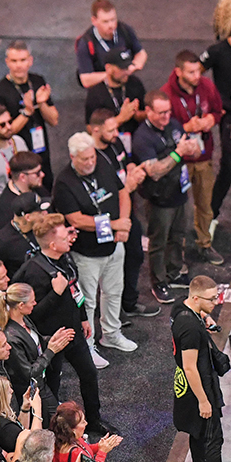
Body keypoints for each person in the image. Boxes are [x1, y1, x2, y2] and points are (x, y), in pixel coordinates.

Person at [12, 212, 107, 434]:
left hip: (73, 331)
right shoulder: (34, 271)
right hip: (51, 339)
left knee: (89, 374)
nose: (70, 240)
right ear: (53, 245)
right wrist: (55, 293)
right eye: (65, 238)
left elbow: (74, 289)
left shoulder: (65, 257)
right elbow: (32, 314)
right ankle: (53, 430)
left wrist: (83, 317)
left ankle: (94, 421)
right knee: (52, 385)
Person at [51, 132, 135, 362]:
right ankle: (87, 346)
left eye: (92, 157)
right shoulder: (64, 182)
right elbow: (76, 219)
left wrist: (123, 224)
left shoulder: (102, 162)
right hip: (86, 253)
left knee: (114, 292)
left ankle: (111, 334)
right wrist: (115, 224)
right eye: (84, 159)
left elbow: (122, 192)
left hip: (114, 244)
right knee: (87, 301)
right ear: (72, 157)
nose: (90, 162)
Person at [171, 275, 231, 462]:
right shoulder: (190, 330)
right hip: (199, 387)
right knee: (214, 437)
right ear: (196, 298)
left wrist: (205, 316)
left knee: (197, 432)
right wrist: (204, 401)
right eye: (211, 299)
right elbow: (190, 367)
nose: (216, 303)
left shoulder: (180, 308)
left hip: (187, 387)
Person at [133, 90, 203, 304]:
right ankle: (158, 281)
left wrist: (193, 148)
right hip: (159, 199)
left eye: (168, 111)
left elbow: (194, 151)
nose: (166, 116)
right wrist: (178, 153)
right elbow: (154, 172)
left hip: (179, 191)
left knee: (178, 235)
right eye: (161, 113)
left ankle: (174, 272)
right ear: (148, 111)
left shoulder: (173, 125)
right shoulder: (142, 138)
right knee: (158, 242)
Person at [85, 110, 154, 321]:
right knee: (108, 267)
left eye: (116, 128)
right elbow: (98, 194)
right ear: (96, 130)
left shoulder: (115, 144)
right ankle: (112, 313)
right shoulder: (90, 158)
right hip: (106, 219)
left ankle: (128, 303)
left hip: (126, 213)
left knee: (134, 256)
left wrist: (134, 171)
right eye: (111, 130)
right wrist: (127, 186)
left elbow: (126, 162)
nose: (116, 133)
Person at [164, 50, 226, 259]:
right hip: (179, 161)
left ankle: (204, 243)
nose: (197, 76)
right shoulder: (167, 94)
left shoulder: (207, 86)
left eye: (198, 71)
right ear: (178, 72)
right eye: (191, 72)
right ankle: (177, 251)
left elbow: (218, 111)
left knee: (205, 204)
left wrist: (210, 120)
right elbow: (163, 129)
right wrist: (185, 128)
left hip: (203, 156)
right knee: (179, 208)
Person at [0, 281, 77, 413]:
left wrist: (51, 339)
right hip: (29, 391)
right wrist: (51, 350)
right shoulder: (11, 337)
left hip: (40, 383)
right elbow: (29, 373)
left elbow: (34, 342)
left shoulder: (24, 320)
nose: (35, 303)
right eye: (32, 301)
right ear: (21, 305)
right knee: (52, 419)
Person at [0, 41, 60, 186]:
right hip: (16, 154)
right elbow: (5, 131)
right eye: (14, 61)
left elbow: (54, 120)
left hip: (40, 149)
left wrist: (41, 103)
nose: (19, 65)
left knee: (46, 187)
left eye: (22, 60)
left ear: (30, 61)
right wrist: (27, 112)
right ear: (7, 62)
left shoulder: (37, 81)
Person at [204, 4, 231, 220]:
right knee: (229, 165)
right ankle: (212, 212)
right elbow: (195, 73)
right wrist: (211, 102)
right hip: (229, 114)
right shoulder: (218, 51)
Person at [75, 0, 147, 88]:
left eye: (113, 20)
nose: (111, 25)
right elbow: (85, 79)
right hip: (102, 87)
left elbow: (141, 53)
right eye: (105, 22)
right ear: (94, 21)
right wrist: (113, 74)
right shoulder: (86, 43)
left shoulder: (125, 30)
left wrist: (134, 66)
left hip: (126, 80)